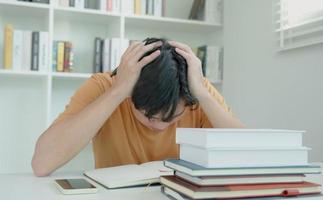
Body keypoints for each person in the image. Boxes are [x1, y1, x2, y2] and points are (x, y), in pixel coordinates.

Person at [31, 38, 245, 177]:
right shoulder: (105, 87)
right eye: (148, 116)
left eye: (172, 117)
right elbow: (42, 164)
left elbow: (249, 156)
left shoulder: (196, 90)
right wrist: (118, 91)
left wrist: (204, 95)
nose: (160, 127)